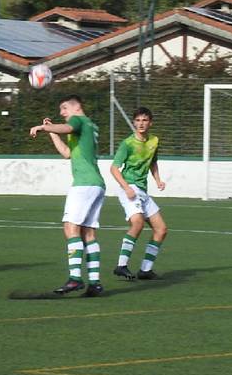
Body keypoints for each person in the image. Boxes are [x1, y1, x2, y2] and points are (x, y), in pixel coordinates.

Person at [29, 95, 107, 297]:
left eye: (64, 108)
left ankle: (75, 279)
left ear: (76, 106)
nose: (62, 113)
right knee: (88, 233)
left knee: (70, 227)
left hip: (84, 185)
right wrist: (52, 132)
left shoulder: (78, 120)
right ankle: (95, 283)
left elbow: (67, 127)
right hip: (96, 184)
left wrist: (44, 127)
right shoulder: (89, 125)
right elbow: (67, 153)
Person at [109, 107, 168, 281]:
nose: (141, 123)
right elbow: (113, 168)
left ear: (150, 122)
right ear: (134, 122)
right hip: (129, 187)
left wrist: (158, 180)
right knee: (138, 223)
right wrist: (127, 187)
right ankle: (121, 265)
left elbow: (153, 162)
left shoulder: (154, 141)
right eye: (138, 120)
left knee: (161, 229)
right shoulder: (127, 143)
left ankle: (145, 270)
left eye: (145, 120)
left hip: (142, 190)